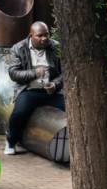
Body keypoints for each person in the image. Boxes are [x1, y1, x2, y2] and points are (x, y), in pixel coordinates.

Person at [5, 21, 64, 155]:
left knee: (71, 109)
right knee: (19, 113)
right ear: (31, 35)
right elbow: (13, 73)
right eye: (40, 35)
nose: (44, 38)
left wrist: (55, 84)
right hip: (29, 91)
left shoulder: (55, 47)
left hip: (51, 91)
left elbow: (65, 73)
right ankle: (11, 141)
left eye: (46, 35)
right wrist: (34, 73)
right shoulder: (17, 48)